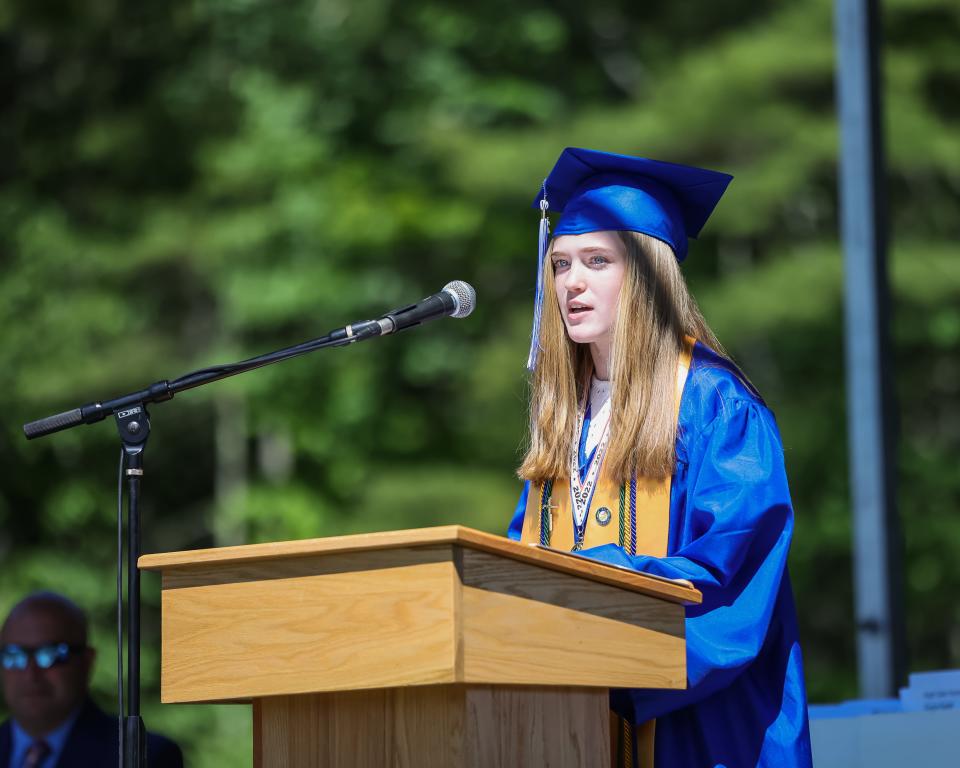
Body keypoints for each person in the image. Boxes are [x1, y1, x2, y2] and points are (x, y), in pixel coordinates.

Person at [507, 147, 813, 767]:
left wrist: (589, 592)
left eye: (598, 261)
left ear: (648, 274)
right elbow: (516, 566)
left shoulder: (716, 407)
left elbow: (729, 586)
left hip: (704, 734)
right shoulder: (562, 423)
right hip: (576, 731)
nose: (572, 282)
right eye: (561, 263)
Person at [0, 591, 183, 768]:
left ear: (87, 662)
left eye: (51, 654)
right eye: (13, 656)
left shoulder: (142, 757)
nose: (30, 673)